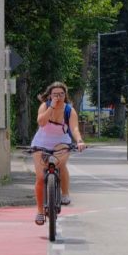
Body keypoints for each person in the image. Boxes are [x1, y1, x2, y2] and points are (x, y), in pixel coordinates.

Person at [30, 81, 86, 225]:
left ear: (65, 95)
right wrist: (52, 107)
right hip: (41, 142)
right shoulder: (45, 106)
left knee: (61, 164)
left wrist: (79, 141)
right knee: (40, 177)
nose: (58, 97)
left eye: (61, 94)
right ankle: (40, 211)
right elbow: (41, 122)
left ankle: (65, 194)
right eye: (55, 94)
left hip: (61, 141)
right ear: (50, 95)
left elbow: (74, 128)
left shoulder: (69, 110)